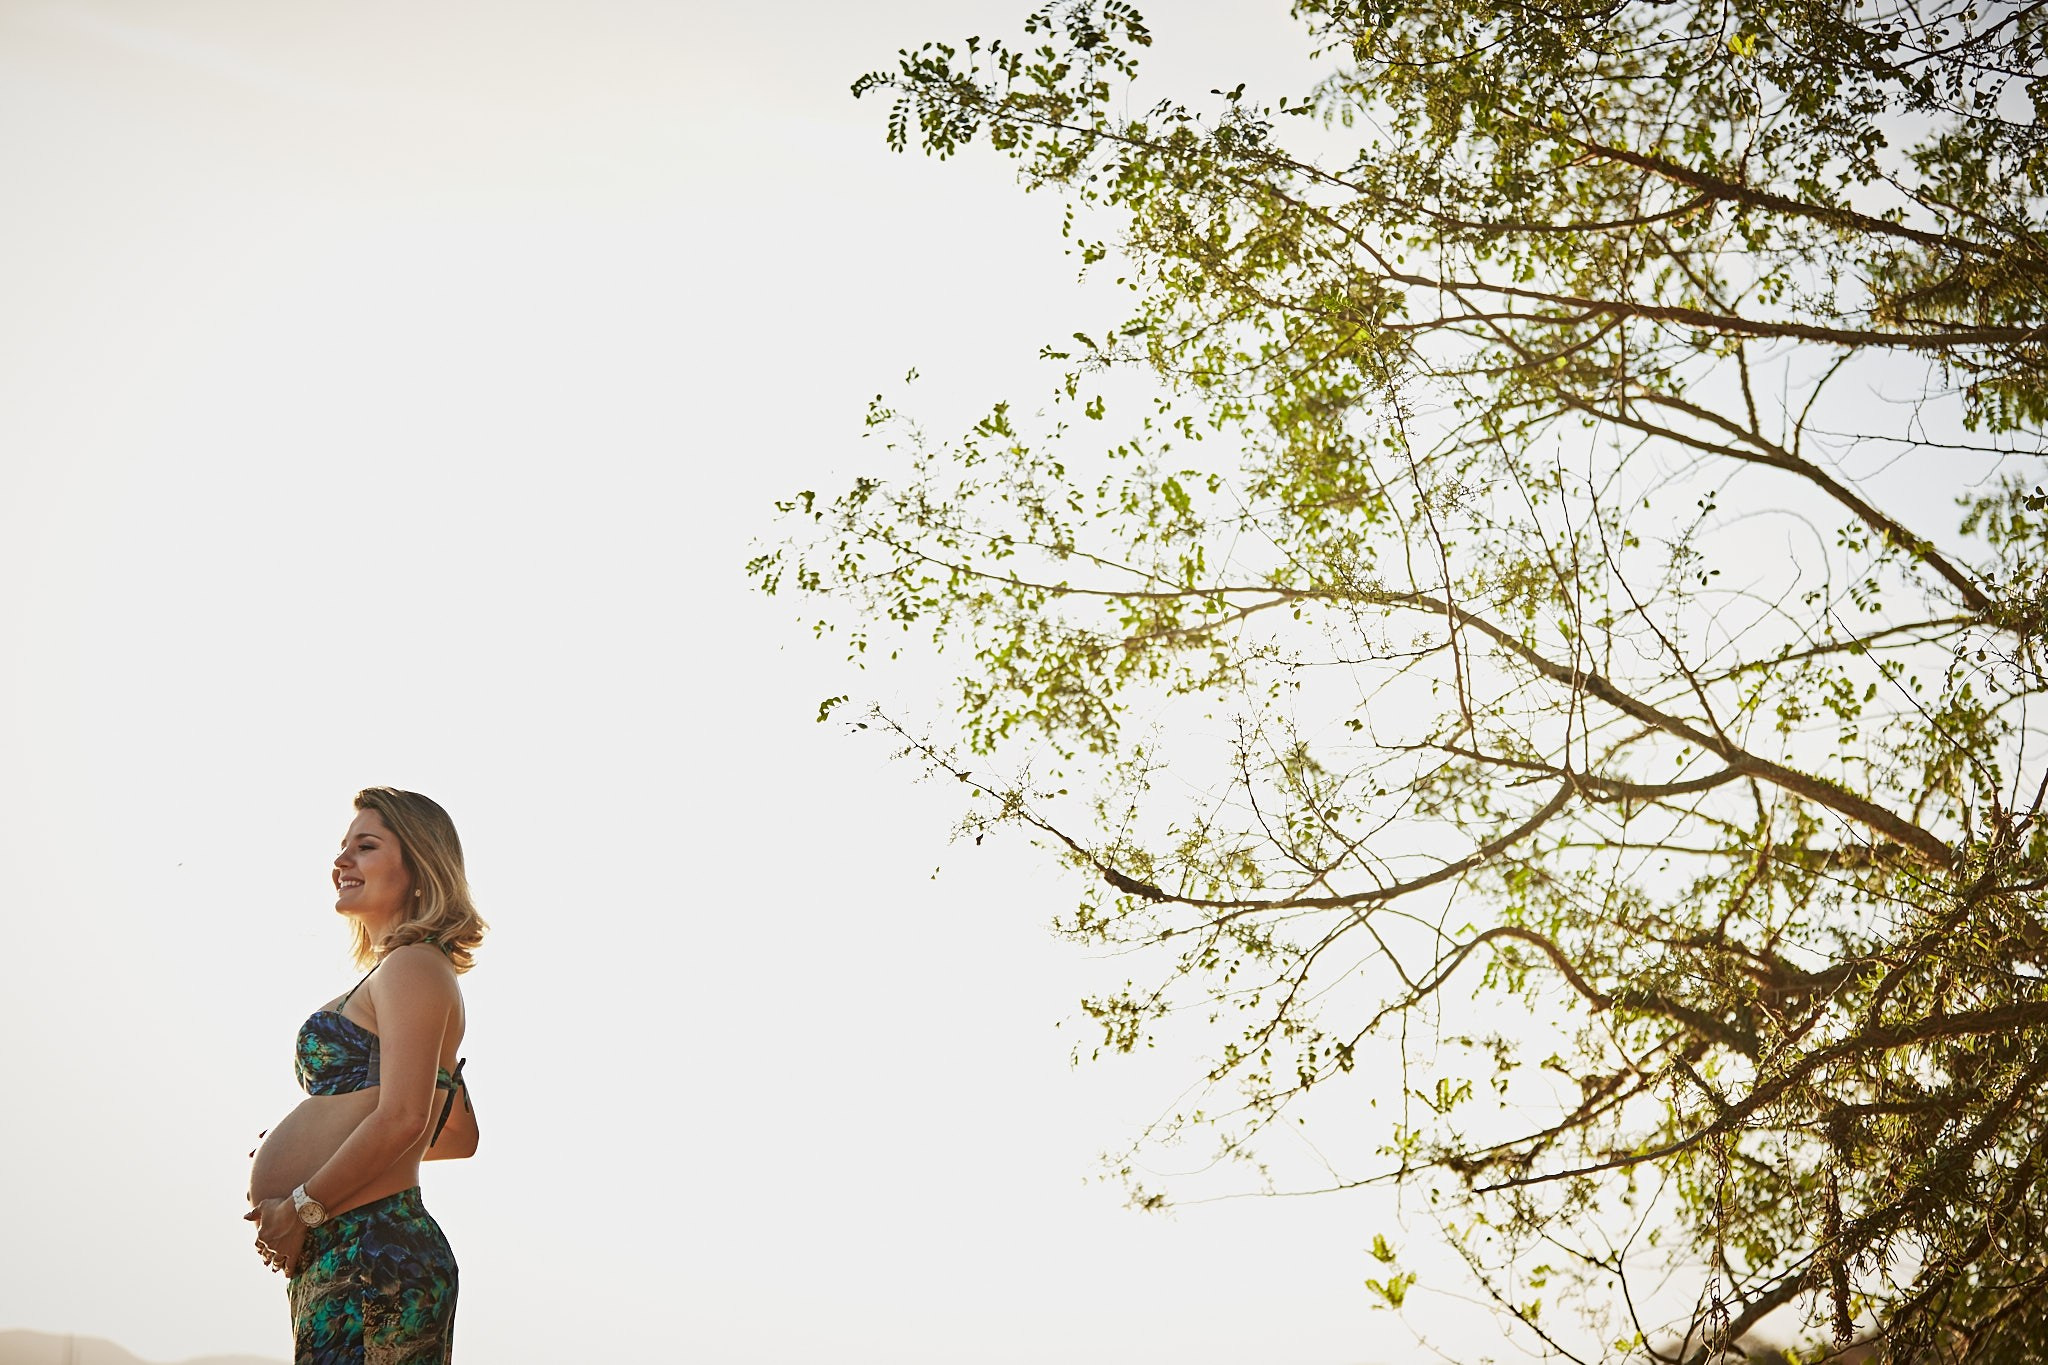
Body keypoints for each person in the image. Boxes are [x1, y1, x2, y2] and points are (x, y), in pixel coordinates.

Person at [246, 787, 487, 1363]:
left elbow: (406, 1117)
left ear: (418, 867)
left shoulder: (413, 968)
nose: (342, 861)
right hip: (344, 1248)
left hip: (372, 1252)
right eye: (342, 847)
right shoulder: (399, 972)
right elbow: (451, 1133)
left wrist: (303, 1202)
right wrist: (323, 1135)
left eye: (366, 846)